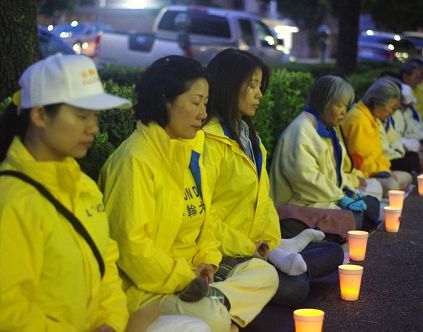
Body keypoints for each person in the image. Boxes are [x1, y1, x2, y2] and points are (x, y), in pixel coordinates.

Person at [98, 55, 278, 332]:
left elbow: (205, 221)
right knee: (215, 318)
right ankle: (220, 312)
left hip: (193, 277)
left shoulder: (187, 150)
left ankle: (218, 305)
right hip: (148, 289)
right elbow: (132, 249)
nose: (203, 114)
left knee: (266, 274)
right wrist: (184, 279)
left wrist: (208, 260)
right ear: (165, 100)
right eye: (195, 103)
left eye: (205, 103)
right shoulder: (134, 161)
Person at [203, 48, 344, 306]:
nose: (259, 94)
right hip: (228, 250)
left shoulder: (250, 138)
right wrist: (248, 247)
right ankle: (276, 263)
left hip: (259, 245)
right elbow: (204, 217)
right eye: (252, 86)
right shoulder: (208, 141)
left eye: (260, 86)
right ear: (228, 86)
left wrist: (268, 242)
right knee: (295, 288)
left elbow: (263, 200)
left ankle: (281, 254)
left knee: (334, 252)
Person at [0, 54, 130, 331]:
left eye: (94, 115)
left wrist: (111, 321)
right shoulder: (12, 201)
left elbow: (106, 263)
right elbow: (9, 310)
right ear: (39, 115)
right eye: (82, 115)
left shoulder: (84, 186)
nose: (93, 127)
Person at [269, 75, 381, 232]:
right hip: (299, 204)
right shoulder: (301, 130)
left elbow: (335, 175)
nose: (343, 112)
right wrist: (341, 198)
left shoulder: (327, 127)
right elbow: (305, 179)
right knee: (354, 218)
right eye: (339, 105)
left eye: (346, 107)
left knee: (371, 205)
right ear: (323, 103)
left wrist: (348, 192)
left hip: (321, 198)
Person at [342, 78, 413, 196]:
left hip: (378, 172)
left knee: (407, 177)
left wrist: (387, 171)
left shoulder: (372, 118)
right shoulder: (358, 120)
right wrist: (384, 174)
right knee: (392, 185)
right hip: (362, 177)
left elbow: (378, 155)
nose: (391, 112)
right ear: (376, 103)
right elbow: (361, 163)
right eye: (391, 107)